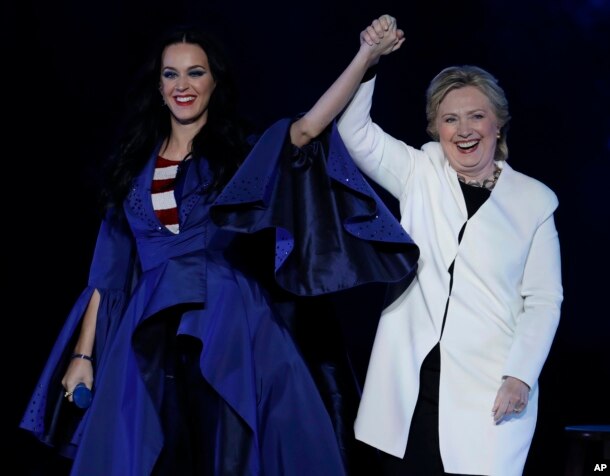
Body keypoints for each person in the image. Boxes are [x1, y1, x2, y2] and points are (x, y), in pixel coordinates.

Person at [20, 18, 416, 476]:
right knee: (147, 452)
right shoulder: (131, 168)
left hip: (227, 321)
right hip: (148, 330)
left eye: (195, 72)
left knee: (229, 451)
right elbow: (106, 276)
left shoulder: (239, 155)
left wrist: (365, 57)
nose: (182, 85)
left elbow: (306, 130)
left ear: (214, 81)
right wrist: (83, 357)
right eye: (171, 74)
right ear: (158, 84)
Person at [316, 15, 563, 476]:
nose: (464, 129)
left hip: (490, 386)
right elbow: (353, 134)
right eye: (450, 119)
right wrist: (369, 60)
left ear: (498, 124)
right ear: (435, 128)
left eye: (476, 116)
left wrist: (520, 375)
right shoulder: (420, 171)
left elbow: (544, 301)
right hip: (412, 384)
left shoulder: (533, 200)